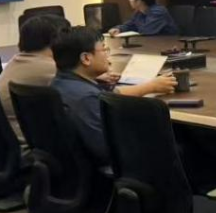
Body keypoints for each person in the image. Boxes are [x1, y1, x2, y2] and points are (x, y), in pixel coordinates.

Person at [50, 26, 176, 164]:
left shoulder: (59, 83)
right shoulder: (86, 97)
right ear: (86, 58)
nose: (108, 57)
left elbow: (109, 97)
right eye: (104, 49)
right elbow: (106, 149)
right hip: (113, 166)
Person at [0, 14, 69, 140]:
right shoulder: (48, 67)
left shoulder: (18, 60)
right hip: (27, 139)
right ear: (57, 41)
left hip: (11, 136)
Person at [108, 0, 178, 36]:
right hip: (150, 43)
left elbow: (146, 31)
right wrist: (118, 29)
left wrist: (134, 28)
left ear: (139, 1)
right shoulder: (139, 12)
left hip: (167, 44)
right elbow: (130, 25)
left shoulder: (159, 12)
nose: (129, 0)